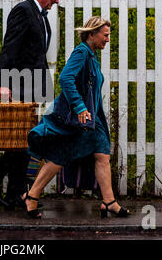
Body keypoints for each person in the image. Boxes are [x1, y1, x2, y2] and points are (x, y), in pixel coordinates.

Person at [22, 16, 130, 219]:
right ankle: (32, 195)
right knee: (61, 156)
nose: (108, 40)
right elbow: (65, 78)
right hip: (81, 119)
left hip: (91, 120)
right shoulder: (81, 52)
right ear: (92, 34)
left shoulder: (91, 56)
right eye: (105, 35)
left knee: (102, 155)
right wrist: (80, 108)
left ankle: (109, 202)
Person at [0, 0, 65, 210]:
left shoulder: (40, 16)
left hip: (33, 86)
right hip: (19, 85)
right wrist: (2, 83)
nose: (57, 1)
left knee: (24, 141)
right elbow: (10, 48)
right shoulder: (23, 11)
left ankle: (15, 193)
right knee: (24, 140)